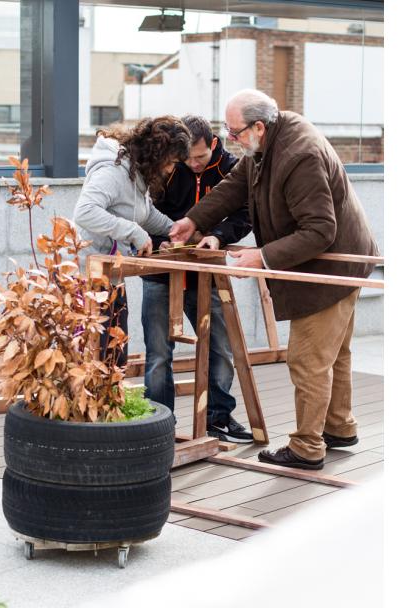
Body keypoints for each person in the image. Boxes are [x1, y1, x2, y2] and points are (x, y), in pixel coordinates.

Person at [170, 89, 379, 470]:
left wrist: (261, 257)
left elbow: (320, 231)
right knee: (335, 355)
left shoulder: (299, 155)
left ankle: (306, 447)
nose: (230, 140)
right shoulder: (268, 143)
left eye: (234, 133)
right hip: (338, 262)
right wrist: (194, 220)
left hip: (331, 268)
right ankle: (338, 427)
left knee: (308, 359)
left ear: (259, 126)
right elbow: (235, 186)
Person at [142, 114, 253, 443]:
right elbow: (143, 208)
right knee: (158, 353)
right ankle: (160, 425)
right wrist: (159, 237)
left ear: (214, 144)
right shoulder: (168, 165)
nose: (192, 163)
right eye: (186, 157)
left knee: (220, 348)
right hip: (161, 271)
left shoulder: (233, 168)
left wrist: (218, 235)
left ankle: (217, 418)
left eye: (200, 157)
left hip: (207, 271)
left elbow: (246, 212)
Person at [73, 116, 190, 366]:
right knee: (94, 357)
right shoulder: (114, 171)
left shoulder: (137, 173)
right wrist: (133, 232)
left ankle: (110, 404)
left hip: (112, 274)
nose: (171, 170)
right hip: (86, 277)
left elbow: (143, 213)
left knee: (115, 356)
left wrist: (177, 229)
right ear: (156, 154)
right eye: (171, 162)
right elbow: (84, 212)